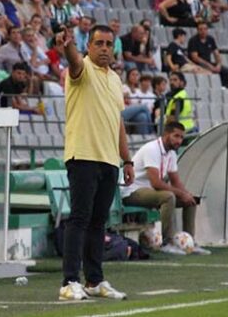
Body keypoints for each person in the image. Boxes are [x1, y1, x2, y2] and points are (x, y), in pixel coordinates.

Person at [57, 24, 133, 301]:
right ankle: (68, 281)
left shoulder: (114, 79)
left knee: (99, 222)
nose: (104, 48)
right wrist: (67, 47)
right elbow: (74, 62)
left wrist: (127, 160)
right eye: (98, 43)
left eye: (108, 44)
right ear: (88, 46)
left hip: (109, 159)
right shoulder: (81, 68)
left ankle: (94, 280)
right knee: (79, 218)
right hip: (83, 155)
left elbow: (118, 122)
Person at [122, 122, 209, 255]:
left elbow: (176, 181)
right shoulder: (152, 149)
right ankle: (167, 242)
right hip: (132, 191)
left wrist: (187, 195)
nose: (179, 141)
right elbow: (156, 183)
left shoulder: (171, 154)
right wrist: (181, 193)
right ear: (166, 134)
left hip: (150, 192)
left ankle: (190, 241)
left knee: (190, 200)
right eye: (176, 136)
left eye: (181, 137)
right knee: (168, 197)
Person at [187, 22, 228, 86]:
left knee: (226, 71)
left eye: (205, 29)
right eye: (201, 29)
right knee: (209, 71)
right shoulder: (193, 40)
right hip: (197, 64)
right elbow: (195, 58)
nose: (203, 31)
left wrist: (219, 64)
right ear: (197, 30)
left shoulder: (210, 39)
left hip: (208, 62)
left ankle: (223, 88)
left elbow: (216, 53)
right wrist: (210, 66)